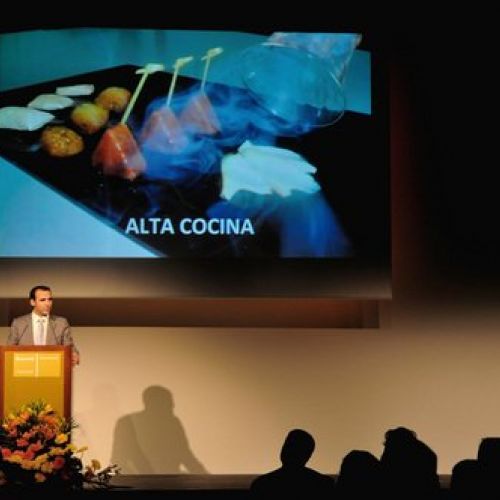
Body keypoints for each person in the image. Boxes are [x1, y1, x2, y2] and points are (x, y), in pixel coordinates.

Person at [250, 428, 335, 499]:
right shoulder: (323, 484)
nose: (287, 450)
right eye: (287, 445)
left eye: (291, 446)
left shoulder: (263, 484)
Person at [7, 285, 80, 366]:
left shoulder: (61, 323)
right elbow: (8, 351)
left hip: (52, 370)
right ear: (32, 302)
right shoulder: (19, 323)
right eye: (43, 300)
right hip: (26, 371)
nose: (47, 303)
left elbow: (70, 348)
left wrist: (74, 355)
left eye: (49, 299)